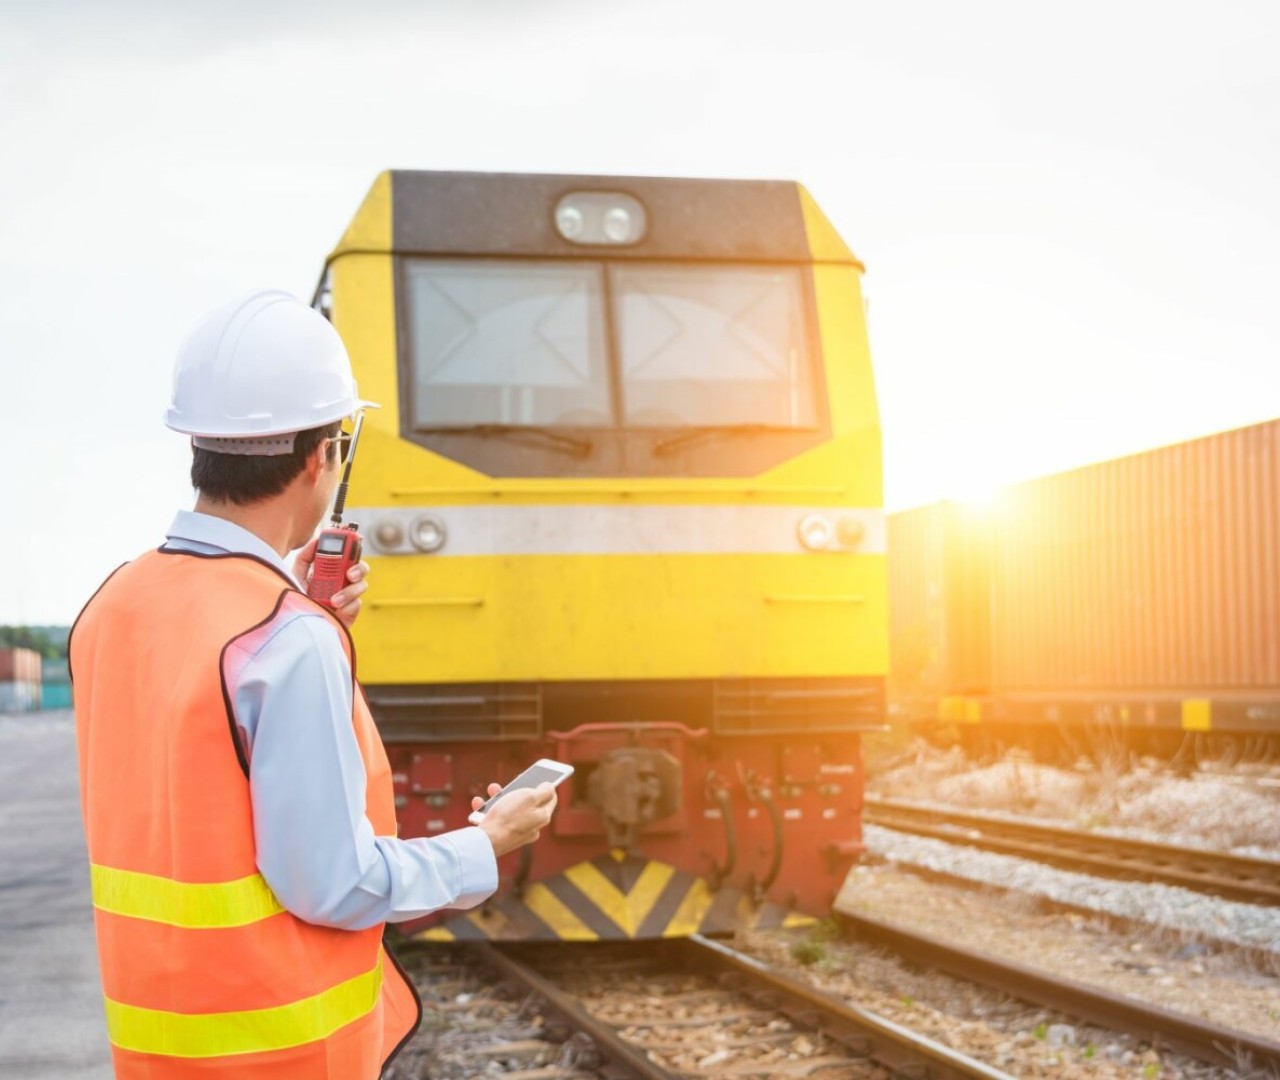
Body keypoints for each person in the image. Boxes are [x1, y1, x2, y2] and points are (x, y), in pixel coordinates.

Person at [69, 289, 558, 1079]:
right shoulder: (285, 640)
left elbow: (198, 772)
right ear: (321, 456)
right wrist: (486, 842)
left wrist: (303, 612)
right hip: (279, 1052)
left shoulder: (113, 603)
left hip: (160, 1043)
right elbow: (336, 883)